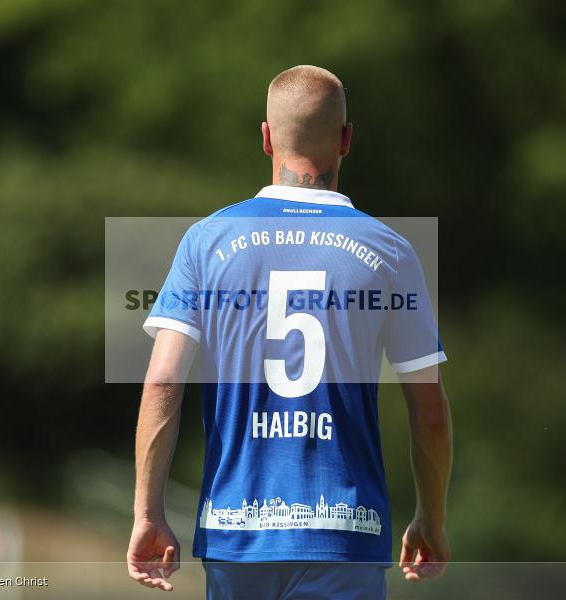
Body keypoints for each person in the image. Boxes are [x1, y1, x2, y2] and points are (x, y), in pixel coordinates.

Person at [127, 65, 453, 599]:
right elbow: (431, 410)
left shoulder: (206, 241)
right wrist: (430, 519)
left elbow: (162, 384)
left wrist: (148, 513)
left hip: (238, 531)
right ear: (346, 140)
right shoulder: (390, 251)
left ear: (265, 138)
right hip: (346, 532)